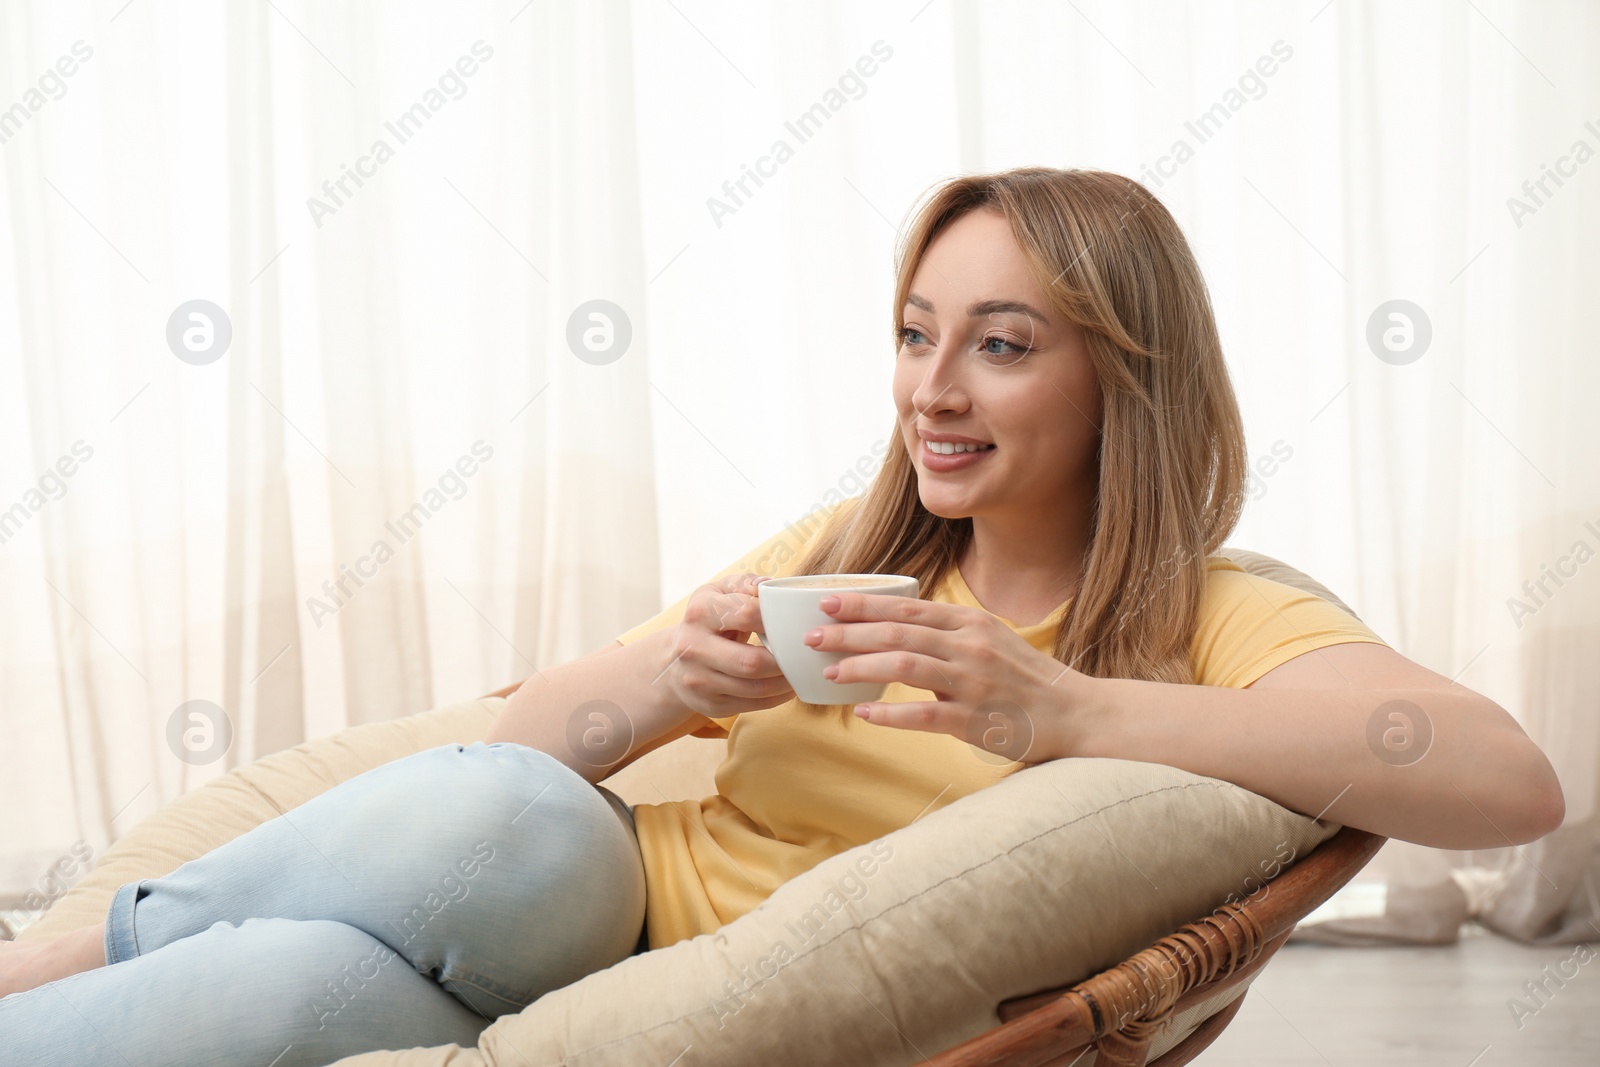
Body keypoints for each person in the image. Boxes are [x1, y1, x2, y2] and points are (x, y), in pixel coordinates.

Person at [0, 166, 1564, 1064]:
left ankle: (72, 972)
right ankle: (84, 949)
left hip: (644, 1012)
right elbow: (506, 755)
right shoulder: (856, 547)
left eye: (1001, 345)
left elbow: (1507, 781)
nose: (931, 389)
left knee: (266, 1001)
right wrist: (669, 685)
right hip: (561, 909)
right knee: (519, 812)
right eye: (913, 332)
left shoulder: (1213, 612)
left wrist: (1065, 708)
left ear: (1123, 377)